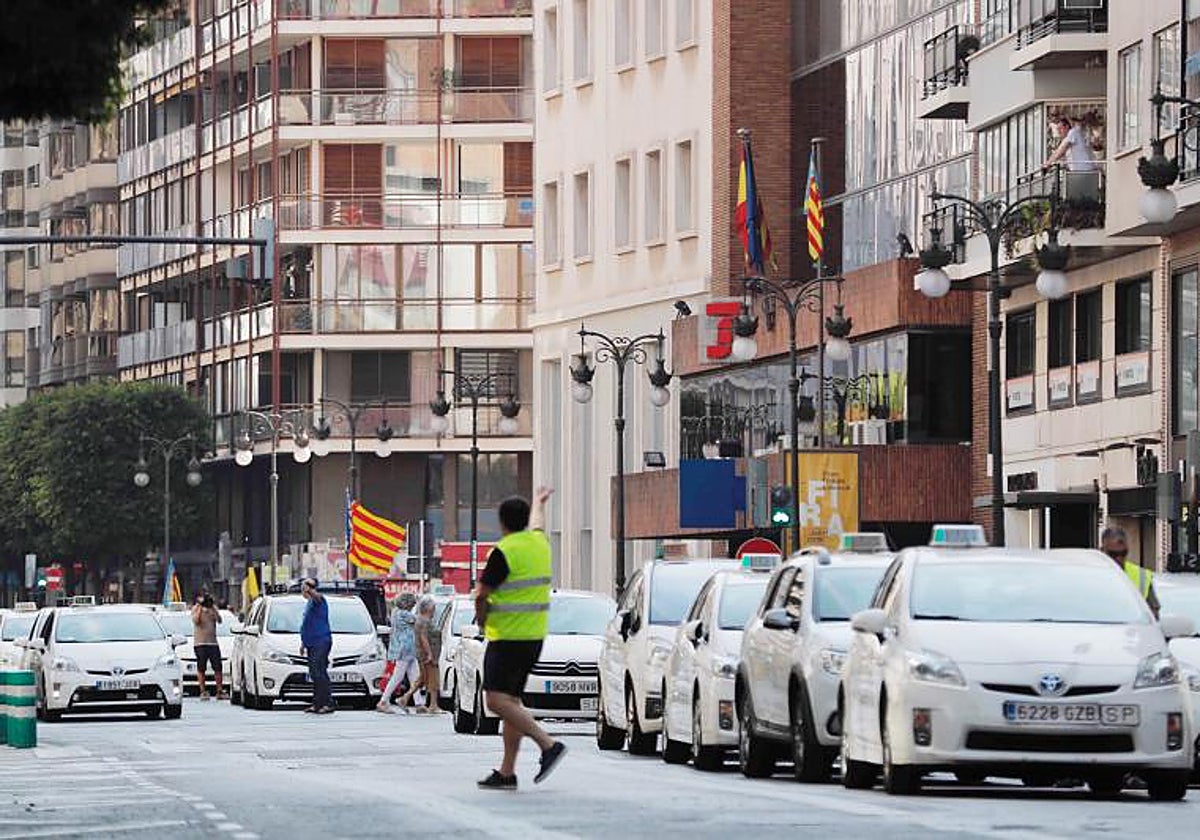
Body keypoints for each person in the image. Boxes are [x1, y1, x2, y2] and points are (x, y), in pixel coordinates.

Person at [474, 487, 566, 790]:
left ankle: (547, 744)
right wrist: (539, 503)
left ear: (501, 522)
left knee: (496, 700)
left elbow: (482, 594)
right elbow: (538, 523)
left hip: (507, 637)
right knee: (511, 701)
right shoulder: (539, 542)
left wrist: (483, 622)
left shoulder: (505, 551)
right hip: (534, 636)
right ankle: (507, 772)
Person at [1102, 526, 1161, 617]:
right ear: (1102, 551)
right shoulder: (1093, 575)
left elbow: (1154, 614)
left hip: (1134, 629)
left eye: (1123, 553)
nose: (1119, 558)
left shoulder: (1142, 576)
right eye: (1113, 554)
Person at [377, 593, 419, 714]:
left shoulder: (395, 612)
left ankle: (418, 703)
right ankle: (383, 701)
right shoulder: (404, 614)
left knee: (414, 677)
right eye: (412, 604)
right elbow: (418, 620)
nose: (412, 607)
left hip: (405, 649)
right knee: (398, 676)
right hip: (405, 648)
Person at [300, 578, 334, 714]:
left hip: (321, 641)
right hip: (311, 642)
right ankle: (317, 703)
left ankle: (328, 703)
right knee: (314, 673)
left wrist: (310, 589)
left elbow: (317, 597)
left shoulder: (319, 600)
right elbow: (307, 624)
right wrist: (303, 643)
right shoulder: (309, 603)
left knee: (319, 673)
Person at [191, 592, 224, 700]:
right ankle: (203, 691)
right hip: (200, 643)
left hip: (212, 643)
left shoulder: (212, 608)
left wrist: (212, 608)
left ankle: (219, 690)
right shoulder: (196, 608)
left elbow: (219, 620)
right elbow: (196, 620)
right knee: (201, 668)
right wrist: (201, 607)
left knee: (218, 667)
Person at [414, 595, 443, 714]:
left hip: (430, 654)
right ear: (428, 608)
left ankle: (405, 698)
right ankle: (433, 705)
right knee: (433, 680)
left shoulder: (425, 620)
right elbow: (424, 638)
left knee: (424, 679)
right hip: (428, 656)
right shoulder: (424, 621)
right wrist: (429, 654)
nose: (434, 609)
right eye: (433, 607)